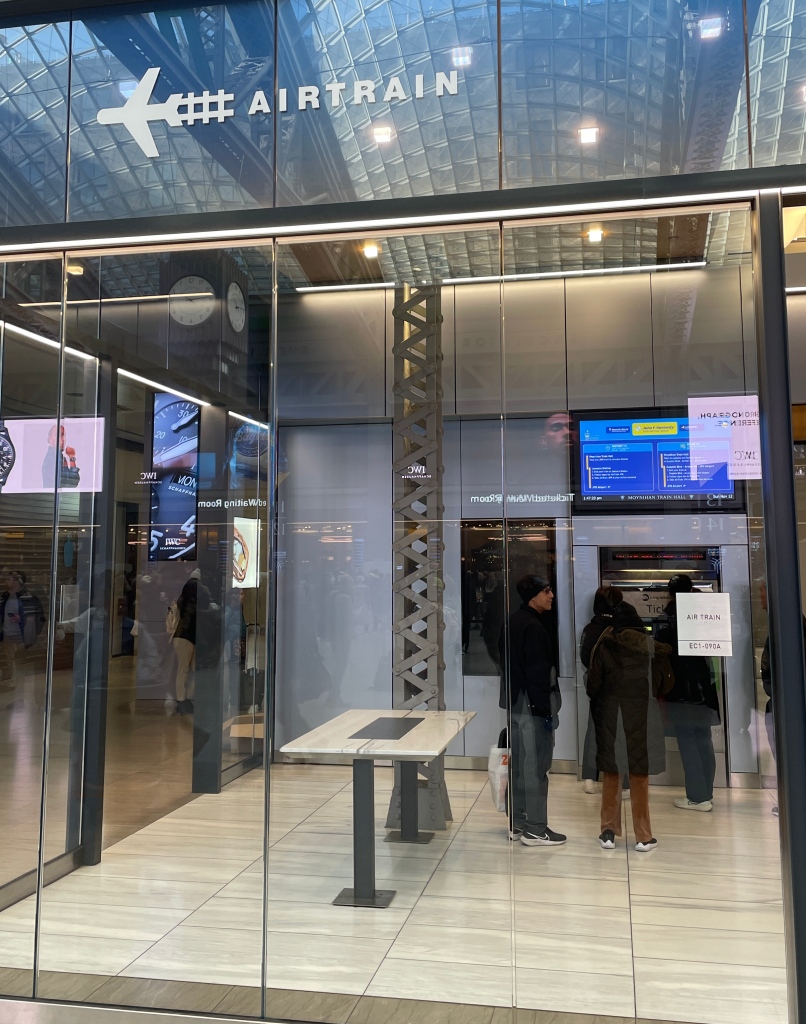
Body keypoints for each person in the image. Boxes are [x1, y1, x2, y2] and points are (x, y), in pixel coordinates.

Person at [587, 600, 673, 852]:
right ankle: (643, 836)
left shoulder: (605, 645)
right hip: (642, 715)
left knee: (612, 773)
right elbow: (663, 685)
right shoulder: (651, 648)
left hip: (612, 715)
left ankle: (608, 833)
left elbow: (593, 685)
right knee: (639, 774)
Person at [499, 574, 566, 847]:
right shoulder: (535, 628)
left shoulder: (511, 621)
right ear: (533, 596)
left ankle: (517, 822)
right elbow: (540, 674)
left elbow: (501, 659)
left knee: (518, 765)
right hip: (533, 706)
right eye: (547, 591)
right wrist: (547, 711)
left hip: (514, 703)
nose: (551, 596)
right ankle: (536, 828)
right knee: (537, 767)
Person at [655, 574, 720, 812]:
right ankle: (706, 794)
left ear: (670, 594)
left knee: (688, 741)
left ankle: (697, 796)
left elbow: (662, 653)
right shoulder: (704, 615)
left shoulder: (669, 619)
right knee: (703, 739)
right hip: (705, 689)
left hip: (681, 691)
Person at [759, 581, 806, 817]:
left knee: (788, 753)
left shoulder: (786, 625)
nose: (760, 598)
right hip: (781, 702)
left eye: (763, 592)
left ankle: (794, 802)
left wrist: (775, 692)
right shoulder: (787, 622)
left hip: (785, 704)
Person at [579, 585, 623, 793]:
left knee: (593, 729)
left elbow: (585, 658)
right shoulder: (621, 629)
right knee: (621, 732)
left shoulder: (589, 629)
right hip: (618, 688)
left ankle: (589, 777)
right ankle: (622, 781)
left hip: (595, 686)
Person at [172, 567, 210, 715]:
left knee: (185, 670)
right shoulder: (194, 593)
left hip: (183, 636)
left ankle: (183, 700)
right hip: (186, 637)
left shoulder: (184, 600)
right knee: (188, 670)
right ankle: (183, 700)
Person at [0, 571, 46, 691]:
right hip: (7, 633)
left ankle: (18, 685)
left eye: (9, 579)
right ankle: (13, 682)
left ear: (17, 582)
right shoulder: (4, 596)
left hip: (21, 634)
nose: (6, 581)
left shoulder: (28, 597)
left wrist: (22, 619)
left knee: (19, 659)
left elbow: (37, 616)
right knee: (10, 659)